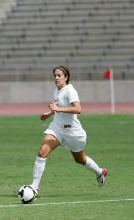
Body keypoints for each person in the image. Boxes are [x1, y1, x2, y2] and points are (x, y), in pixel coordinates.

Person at [30, 65, 107, 199]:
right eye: (55, 75)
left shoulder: (70, 90)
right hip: (57, 128)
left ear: (66, 77)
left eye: (59, 75)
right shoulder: (56, 90)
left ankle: (99, 172)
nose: (56, 78)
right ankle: (34, 187)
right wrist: (49, 114)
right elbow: (57, 107)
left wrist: (58, 109)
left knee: (79, 159)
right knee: (42, 152)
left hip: (73, 132)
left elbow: (78, 109)